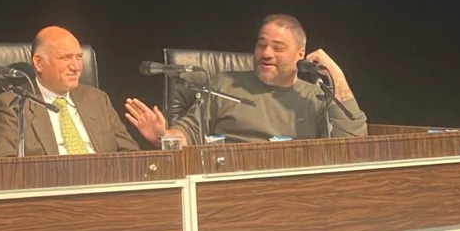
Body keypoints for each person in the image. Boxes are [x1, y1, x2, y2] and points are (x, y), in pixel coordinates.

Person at [124, 14, 368, 144]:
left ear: (300, 54)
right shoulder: (224, 85)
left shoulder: (315, 96)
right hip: (230, 188)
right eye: (261, 45)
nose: (266, 53)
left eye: (278, 48)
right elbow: (190, 132)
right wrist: (163, 136)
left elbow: (353, 143)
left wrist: (336, 73)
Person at [0, 26, 139, 156]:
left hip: (103, 177)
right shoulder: (13, 105)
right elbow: (4, 166)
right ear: (39, 63)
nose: (76, 67)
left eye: (79, 57)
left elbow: (131, 155)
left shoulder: (98, 100)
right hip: (50, 179)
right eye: (66, 58)